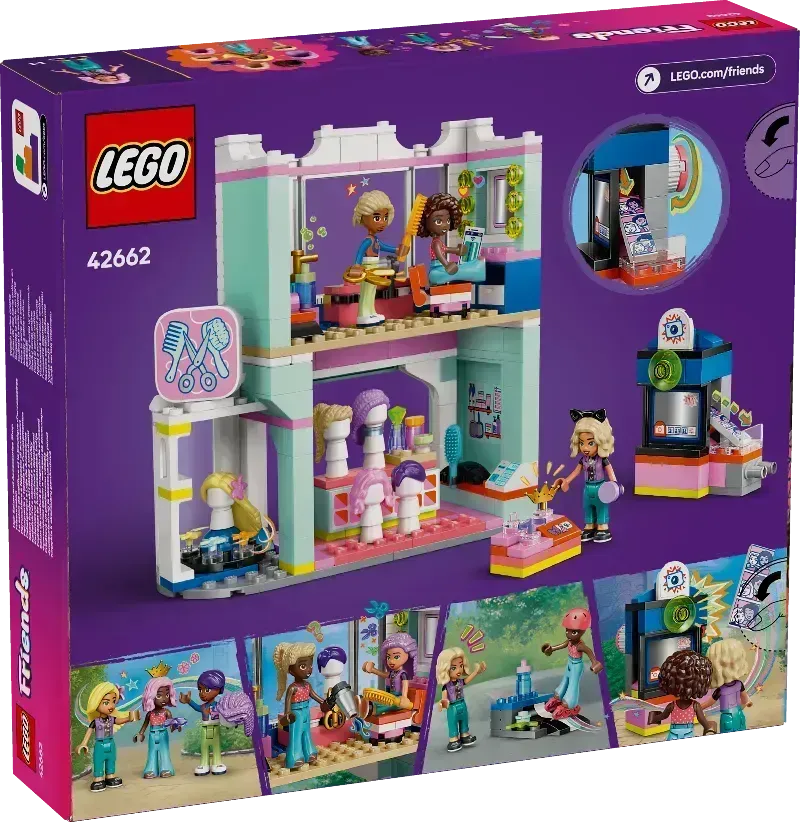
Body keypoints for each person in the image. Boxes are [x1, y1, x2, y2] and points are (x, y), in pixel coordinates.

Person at [555, 409, 618, 544]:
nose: (585, 448)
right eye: (581, 443)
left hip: (601, 487)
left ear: (601, 441)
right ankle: (589, 525)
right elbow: (576, 472)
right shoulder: (583, 460)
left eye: (590, 443)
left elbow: (610, 472)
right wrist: (566, 481)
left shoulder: (603, 459)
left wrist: (614, 485)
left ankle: (602, 526)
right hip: (587, 488)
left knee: (601, 507)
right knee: (587, 506)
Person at [75, 682, 138, 792]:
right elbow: (89, 732)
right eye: (106, 702)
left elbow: (119, 721)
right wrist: (83, 743)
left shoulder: (111, 719)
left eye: (113, 702)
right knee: (98, 761)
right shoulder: (95, 722)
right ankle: (98, 778)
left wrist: (129, 718)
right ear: (96, 703)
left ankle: (110, 776)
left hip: (111, 743)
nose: (111, 706)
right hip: (100, 744)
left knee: (111, 759)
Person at [542, 607, 603, 719]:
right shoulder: (570, 642)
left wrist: (594, 662)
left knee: (573, 684)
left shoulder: (580, 645)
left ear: (582, 631)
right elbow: (562, 645)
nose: (569, 635)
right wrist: (552, 649)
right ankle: (558, 697)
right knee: (565, 680)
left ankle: (570, 704)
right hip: (570, 664)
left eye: (573, 632)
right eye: (567, 631)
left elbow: (589, 652)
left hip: (576, 666)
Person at [273, 643, 326, 770]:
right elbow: (287, 704)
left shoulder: (307, 685)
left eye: (310, 665)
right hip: (296, 713)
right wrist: (287, 715)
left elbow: (315, 696)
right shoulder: (293, 688)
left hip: (306, 711)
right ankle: (294, 757)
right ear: (291, 670)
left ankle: (309, 752)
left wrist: (324, 703)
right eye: (303, 666)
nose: (308, 670)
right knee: (295, 735)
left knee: (306, 732)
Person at [647, 649, 717, 740]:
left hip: (673, 733)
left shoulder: (672, 705)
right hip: (688, 733)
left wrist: (654, 718)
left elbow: (663, 716)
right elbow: (701, 719)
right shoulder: (695, 705)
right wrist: (708, 726)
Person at [436, 647, 486, 752]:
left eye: (461, 666)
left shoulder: (460, 682)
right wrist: (443, 703)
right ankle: (453, 739)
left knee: (464, 720)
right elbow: (444, 698)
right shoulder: (446, 686)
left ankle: (464, 735)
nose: (459, 670)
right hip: (452, 706)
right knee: (452, 723)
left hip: (462, 704)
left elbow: (467, 680)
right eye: (453, 668)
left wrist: (476, 672)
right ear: (445, 669)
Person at [707, 639, 752, 735]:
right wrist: (739, 708)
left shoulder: (721, 690)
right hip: (738, 715)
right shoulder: (739, 684)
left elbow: (709, 703)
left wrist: (696, 708)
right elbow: (745, 700)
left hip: (729, 717)